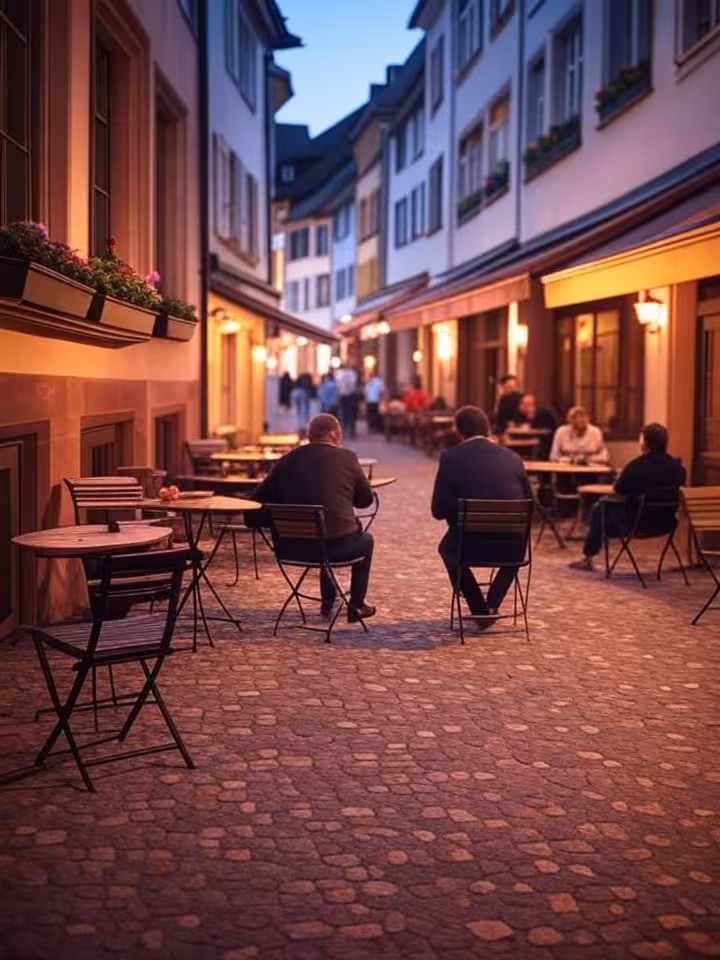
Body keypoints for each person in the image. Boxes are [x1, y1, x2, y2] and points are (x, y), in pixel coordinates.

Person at [252, 414, 376, 621]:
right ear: (333, 435)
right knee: (365, 540)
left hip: (292, 548)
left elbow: (256, 503)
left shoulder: (287, 460)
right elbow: (365, 501)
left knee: (326, 531)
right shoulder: (347, 458)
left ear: (310, 436)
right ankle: (356, 605)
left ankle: (328, 601)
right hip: (336, 549)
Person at [431, 405, 533, 628]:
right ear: (488, 430)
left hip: (468, 546)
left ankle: (478, 607)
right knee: (518, 545)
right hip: (510, 548)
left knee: (447, 548)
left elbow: (437, 511)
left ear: (459, 431)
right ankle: (492, 604)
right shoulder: (513, 457)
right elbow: (530, 503)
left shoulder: (451, 457)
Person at [569, 422, 686, 572]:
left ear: (645, 442)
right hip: (666, 523)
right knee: (606, 515)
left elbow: (619, 488)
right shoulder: (676, 467)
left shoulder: (637, 466)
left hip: (637, 523)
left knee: (601, 507)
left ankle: (588, 557)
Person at [513, 393, 559, 460]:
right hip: (529, 440)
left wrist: (531, 417)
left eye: (525, 404)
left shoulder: (545, 411)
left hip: (546, 441)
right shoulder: (522, 414)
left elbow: (555, 426)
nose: (522, 406)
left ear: (531, 404)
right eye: (522, 404)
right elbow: (519, 424)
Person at [335, 362, 359, 440]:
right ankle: (351, 431)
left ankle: (345, 431)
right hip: (351, 396)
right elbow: (354, 384)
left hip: (344, 397)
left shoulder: (339, 374)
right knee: (351, 415)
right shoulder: (352, 374)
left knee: (344, 415)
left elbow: (337, 385)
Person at [291, 373, 312, 438]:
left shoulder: (307, 391)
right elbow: (296, 406)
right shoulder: (297, 392)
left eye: (308, 381)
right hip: (299, 417)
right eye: (305, 381)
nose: (306, 382)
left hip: (305, 417)